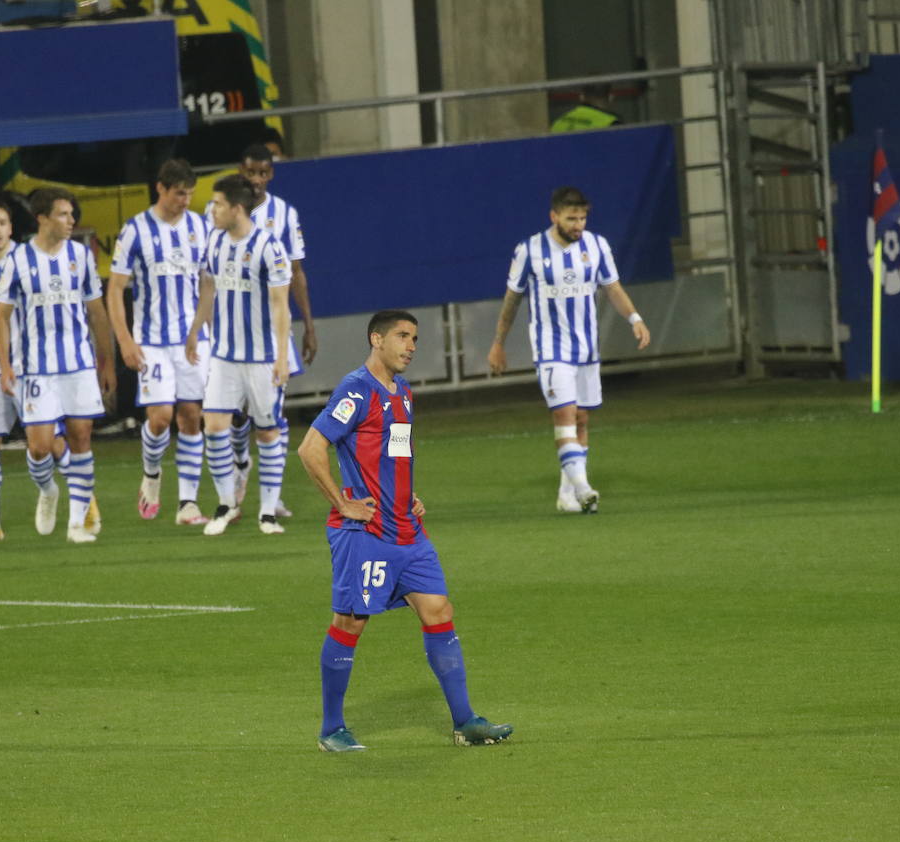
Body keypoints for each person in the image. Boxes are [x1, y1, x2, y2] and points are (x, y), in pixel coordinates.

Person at [298, 309, 513, 751]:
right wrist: (342, 503)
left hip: (407, 530)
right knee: (351, 622)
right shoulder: (356, 390)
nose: (411, 345)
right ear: (376, 339)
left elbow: (393, 454)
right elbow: (310, 448)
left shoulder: (404, 394)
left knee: (439, 611)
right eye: (402, 336)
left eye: (414, 337)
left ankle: (466, 722)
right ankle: (331, 728)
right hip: (366, 533)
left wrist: (407, 496)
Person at [488, 186, 650, 513]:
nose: (578, 224)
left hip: (586, 349)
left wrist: (634, 318)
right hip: (551, 349)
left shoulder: (597, 246)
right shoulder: (530, 250)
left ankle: (567, 494)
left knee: (581, 419)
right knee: (564, 415)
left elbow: (612, 287)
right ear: (554, 216)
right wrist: (498, 343)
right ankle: (584, 487)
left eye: (582, 218)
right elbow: (512, 299)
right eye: (571, 218)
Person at [0, 187, 117, 544]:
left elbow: (96, 310)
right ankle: (48, 491)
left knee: (81, 439)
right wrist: (5, 366)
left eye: (71, 214)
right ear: (42, 218)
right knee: (39, 447)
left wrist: (106, 361)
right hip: (36, 369)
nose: (71, 221)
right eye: (63, 214)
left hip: (78, 365)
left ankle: (77, 523)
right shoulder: (17, 260)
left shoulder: (81, 255)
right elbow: (2, 318)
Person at [206, 144, 317, 515]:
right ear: (242, 170)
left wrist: (309, 326)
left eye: (263, 173)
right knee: (231, 420)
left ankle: (272, 497)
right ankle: (240, 469)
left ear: (270, 174)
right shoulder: (220, 214)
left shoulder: (284, 214)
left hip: (270, 340)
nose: (256, 180)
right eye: (251, 172)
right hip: (230, 341)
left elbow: (296, 274)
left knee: (267, 418)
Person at [0, 196, 74, 544]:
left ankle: (84, 497)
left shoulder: (28, 260)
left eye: (2, 224)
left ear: (11, 227)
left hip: (32, 367)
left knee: (49, 441)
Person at [184, 173, 291, 536]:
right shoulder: (214, 242)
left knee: (267, 432)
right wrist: (196, 329)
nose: (211, 210)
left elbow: (280, 305)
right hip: (225, 356)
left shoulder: (269, 247)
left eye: (217, 204)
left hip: (261, 357)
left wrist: (280, 356)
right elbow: (209, 289)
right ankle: (227, 504)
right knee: (213, 425)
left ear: (237, 208)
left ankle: (267, 513)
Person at [107, 159, 212, 526]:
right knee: (160, 417)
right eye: (179, 193)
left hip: (191, 340)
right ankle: (151, 473)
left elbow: (208, 284)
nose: (185, 200)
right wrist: (124, 340)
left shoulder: (201, 226)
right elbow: (115, 288)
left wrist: (201, 330)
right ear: (161, 189)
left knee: (190, 417)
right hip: (151, 340)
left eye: (190, 194)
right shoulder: (135, 230)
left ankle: (187, 504)